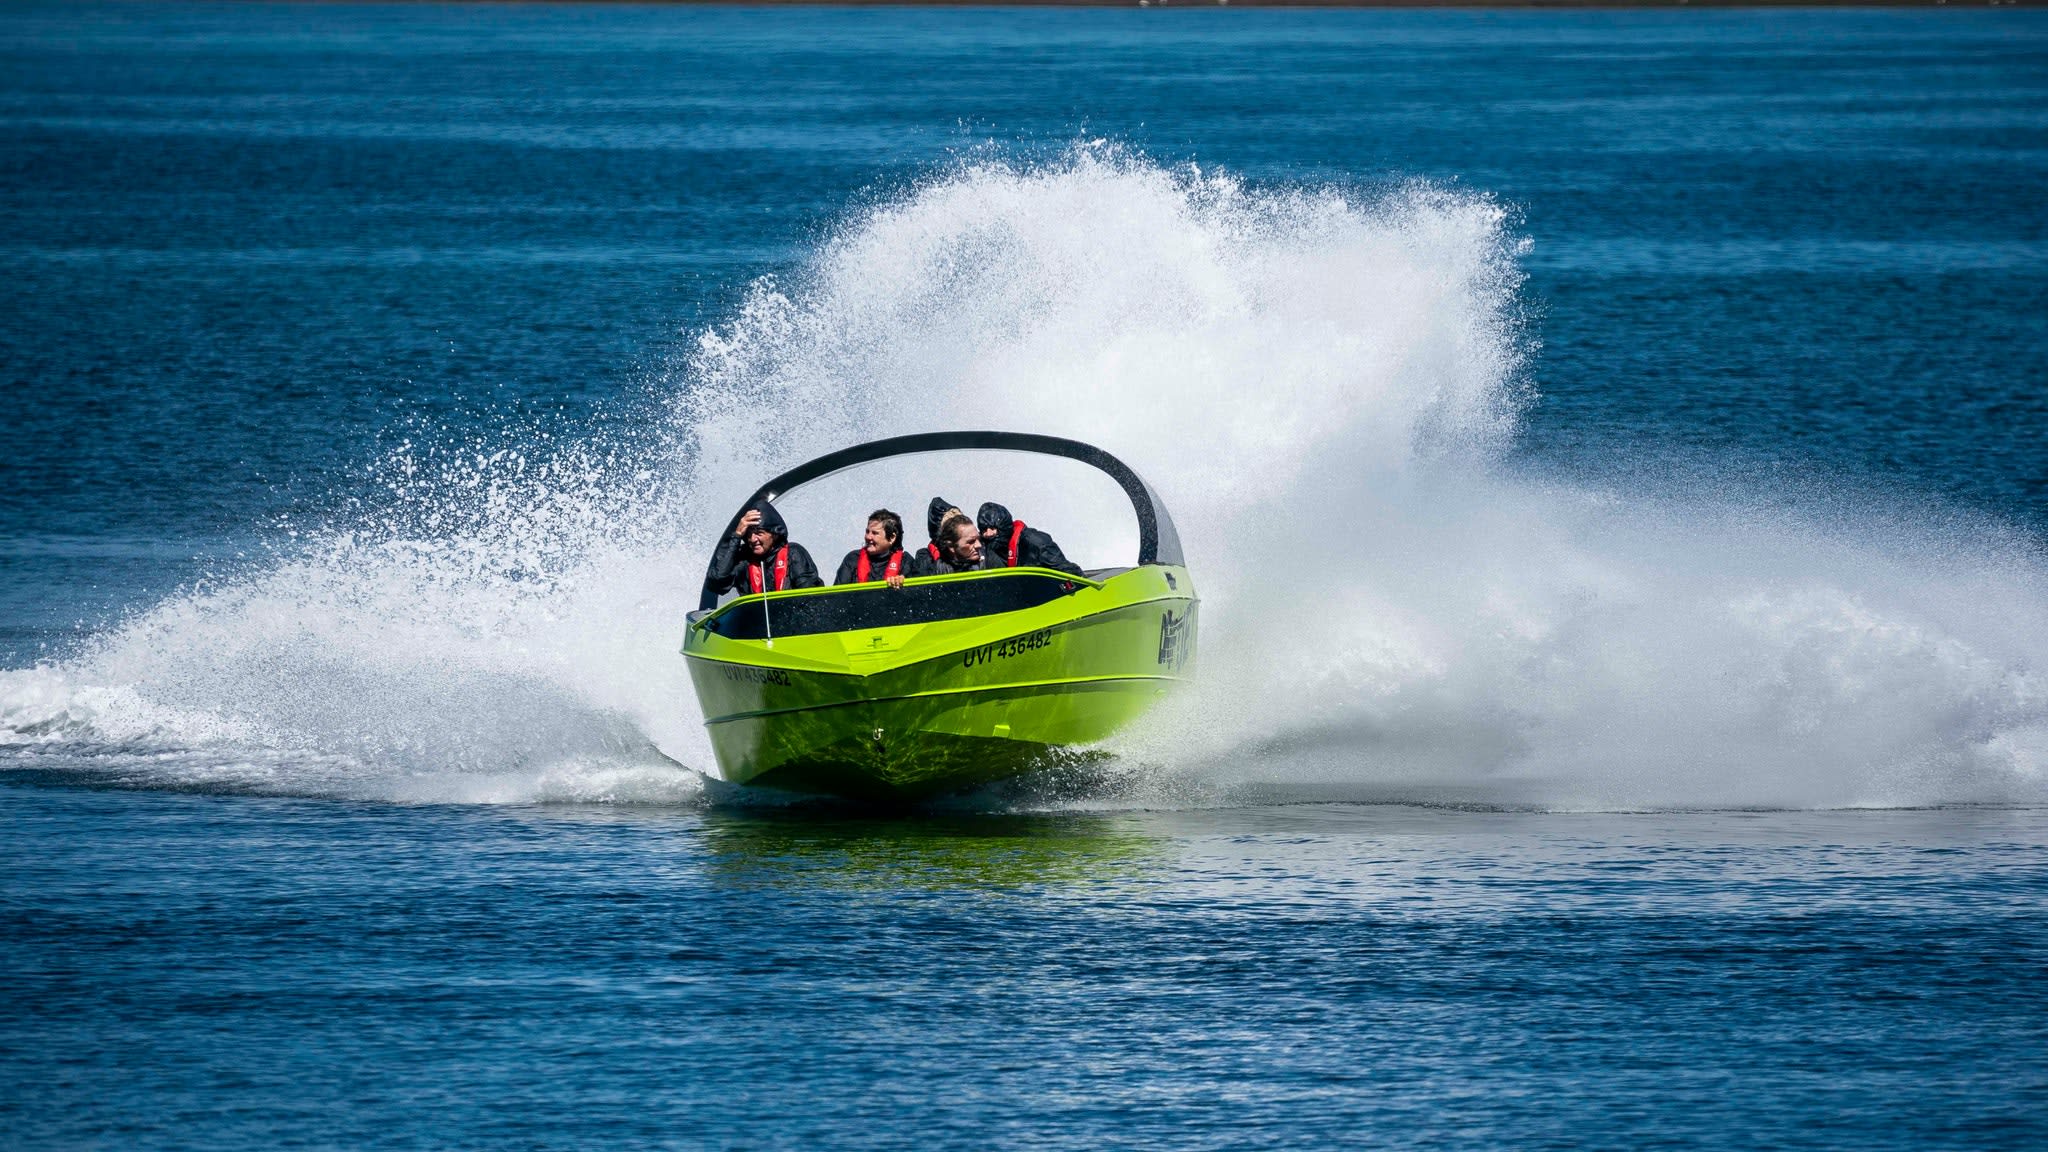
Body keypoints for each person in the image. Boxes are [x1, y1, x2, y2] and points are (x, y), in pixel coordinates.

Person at [705, 501, 823, 598]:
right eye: (748, 534)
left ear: (774, 534)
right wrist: (737, 535)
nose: (752, 539)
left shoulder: (793, 553)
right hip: (756, 624)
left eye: (758, 533)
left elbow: (810, 599)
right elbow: (717, 582)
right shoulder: (744, 559)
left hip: (792, 623)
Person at [976, 502, 1082, 576]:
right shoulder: (981, 547)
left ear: (1003, 525)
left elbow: (1069, 571)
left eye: (993, 528)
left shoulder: (1037, 543)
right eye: (984, 529)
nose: (988, 534)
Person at [834, 508, 908, 588]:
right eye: (867, 532)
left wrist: (903, 586)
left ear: (892, 538)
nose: (868, 537)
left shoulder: (905, 562)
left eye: (875, 533)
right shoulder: (853, 559)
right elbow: (836, 596)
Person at [922, 511, 988, 574]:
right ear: (951, 547)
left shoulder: (990, 563)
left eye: (979, 539)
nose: (979, 545)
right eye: (971, 542)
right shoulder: (932, 571)